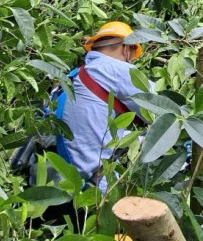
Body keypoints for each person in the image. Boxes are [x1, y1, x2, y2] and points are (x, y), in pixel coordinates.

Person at [57, 20, 145, 192]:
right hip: (90, 185)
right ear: (127, 49)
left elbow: (89, 127)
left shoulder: (73, 77)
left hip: (55, 175)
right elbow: (160, 109)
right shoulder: (117, 69)